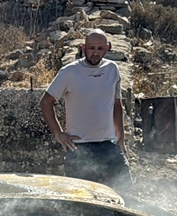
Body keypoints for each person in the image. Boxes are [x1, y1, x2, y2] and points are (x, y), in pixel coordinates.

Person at [39, 29, 133, 193]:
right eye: (91, 48)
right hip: (79, 148)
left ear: (107, 49)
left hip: (108, 146)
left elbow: (116, 104)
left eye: (100, 48)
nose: (95, 53)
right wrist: (59, 134)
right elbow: (46, 102)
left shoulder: (112, 69)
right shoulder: (69, 72)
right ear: (83, 48)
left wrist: (121, 139)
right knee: (82, 199)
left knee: (125, 193)